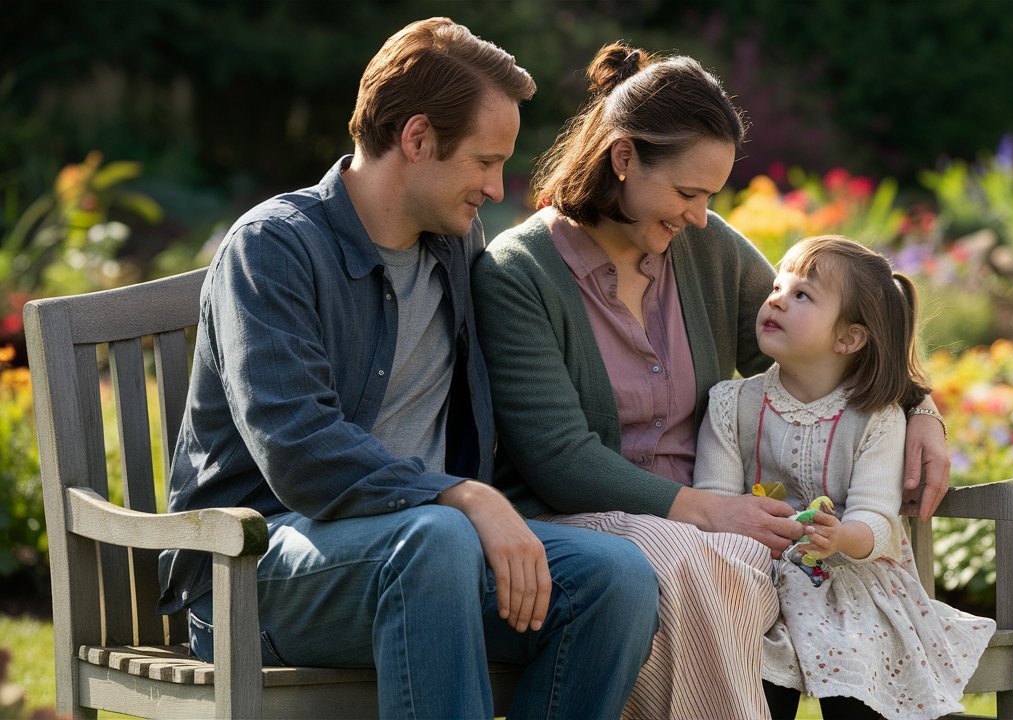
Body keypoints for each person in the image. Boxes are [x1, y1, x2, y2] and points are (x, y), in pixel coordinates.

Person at [156, 18, 658, 720]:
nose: (497, 185)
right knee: (439, 537)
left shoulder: (451, 243)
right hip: (256, 573)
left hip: (425, 560)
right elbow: (298, 450)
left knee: (618, 580)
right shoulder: (272, 250)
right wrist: (465, 496)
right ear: (418, 139)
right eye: (485, 161)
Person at [472, 43, 951, 719]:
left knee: (720, 564)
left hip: (714, 541)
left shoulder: (704, 248)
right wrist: (708, 510)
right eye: (687, 193)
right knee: (693, 562)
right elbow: (559, 458)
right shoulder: (518, 272)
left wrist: (920, 408)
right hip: (581, 526)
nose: (699, 215)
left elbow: (820, 349)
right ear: (624, 159)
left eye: (709, 198)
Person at [693, 235, 995, 719]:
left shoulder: (876, 417)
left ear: (848, 338)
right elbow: (713, 503)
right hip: (755, 576)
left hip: (852, 581)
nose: (775, 299)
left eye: (802, 295)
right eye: (777, 286)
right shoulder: (731, 405)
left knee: (856, 658)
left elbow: (878, 523)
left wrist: (840, 536)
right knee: (754, 664)